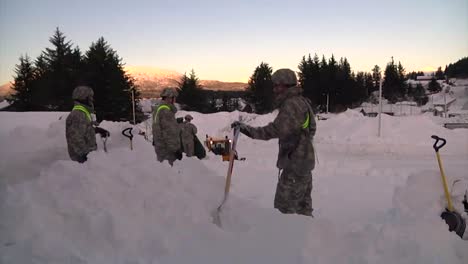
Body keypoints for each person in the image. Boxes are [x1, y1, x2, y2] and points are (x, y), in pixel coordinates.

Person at [231, 68, 316, 216]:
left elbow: (274, 130)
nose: (275, 89)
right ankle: (308, 237)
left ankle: (287, 238)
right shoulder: (303, 102)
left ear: (287, 85)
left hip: (295, 166)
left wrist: (248, 130)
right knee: (303, 208)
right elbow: (312, 128)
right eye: (274, 85)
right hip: (304, 163)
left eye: (278, 85)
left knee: (284, 210)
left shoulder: (291, 105)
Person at [66, 85, 109, 163]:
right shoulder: (78, 115)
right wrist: (85, 156)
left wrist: (96, 130)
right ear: (83, 98)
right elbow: (75, 138)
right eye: (90, 97)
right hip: (82, 162)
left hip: (89, 159)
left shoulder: (83, 113)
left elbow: (83, 129)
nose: (92, 100)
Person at [152, 87, 182, 166]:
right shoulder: (165, 111)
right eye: (174, 98)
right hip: (168, 152)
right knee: (171, 175)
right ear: (169, 98)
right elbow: (170, 133)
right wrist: (175, 150)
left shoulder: (161, 109)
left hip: (164, 149)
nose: (175, 100)